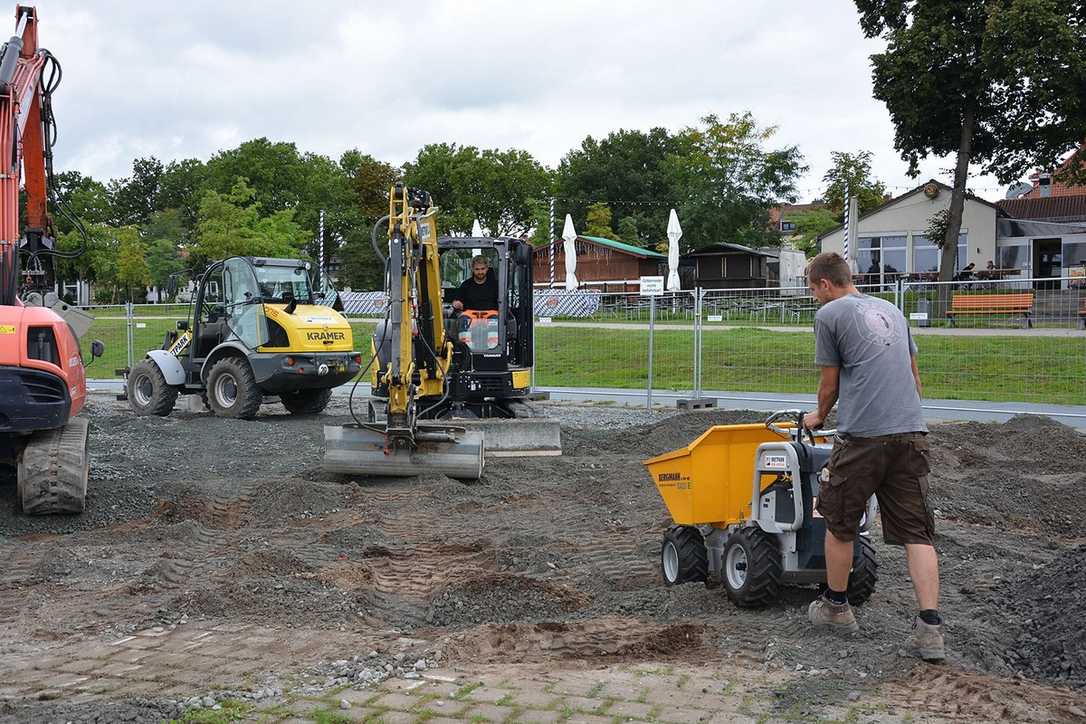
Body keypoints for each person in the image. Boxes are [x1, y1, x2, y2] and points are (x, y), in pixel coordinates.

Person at [801, 252, 944, 662]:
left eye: (813, 289)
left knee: (839, 522)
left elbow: (830, 385)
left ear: (826, 284)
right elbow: (914, 375)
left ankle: (836, 607)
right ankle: (930, 628)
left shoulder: (830, 316)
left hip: (863, 438)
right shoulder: (891, 310)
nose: (813, 297)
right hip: (912, 433)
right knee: (917, 533)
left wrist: (818, 416)